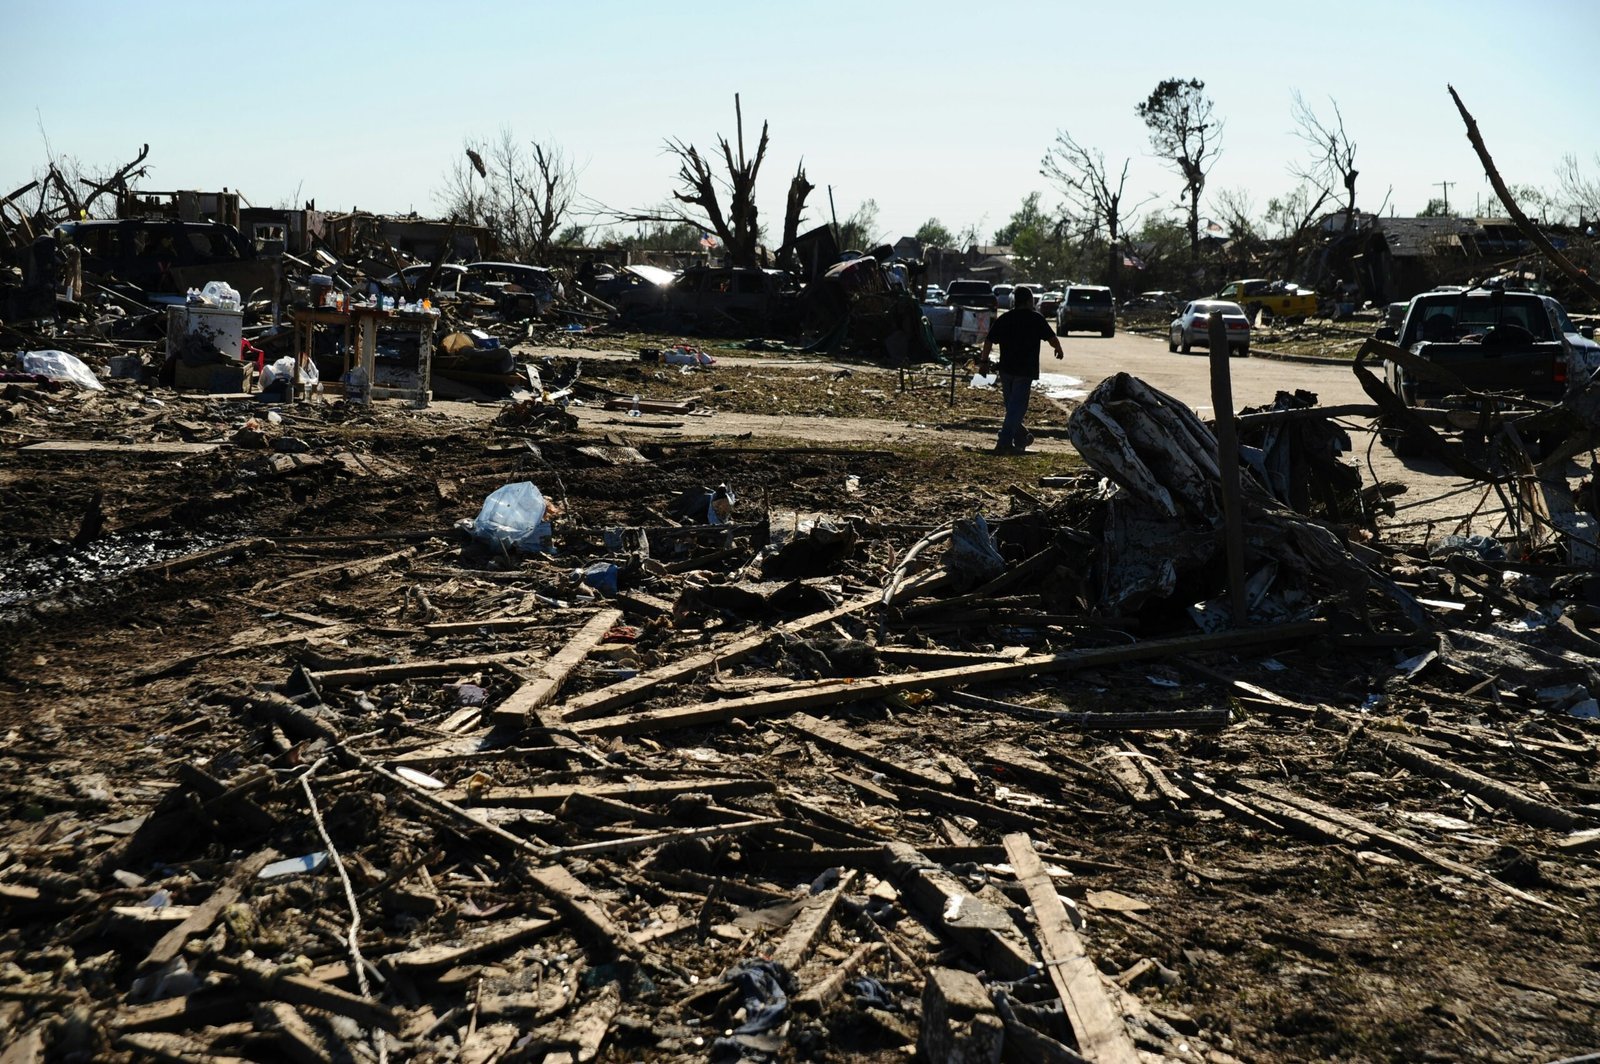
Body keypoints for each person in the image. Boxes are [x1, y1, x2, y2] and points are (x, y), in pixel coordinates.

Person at [979, 285, 1063, 453]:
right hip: (1025, 370)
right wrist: (1058, 349)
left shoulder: (1005, 318)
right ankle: (1004, 441)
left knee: (1012, 407)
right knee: (1017, 407)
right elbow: (1051, 338)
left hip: (1007, 369)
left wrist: (984, 362)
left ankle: (1021, 437)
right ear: (1028, 301)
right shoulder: (1036, 319)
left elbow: (988, 341)